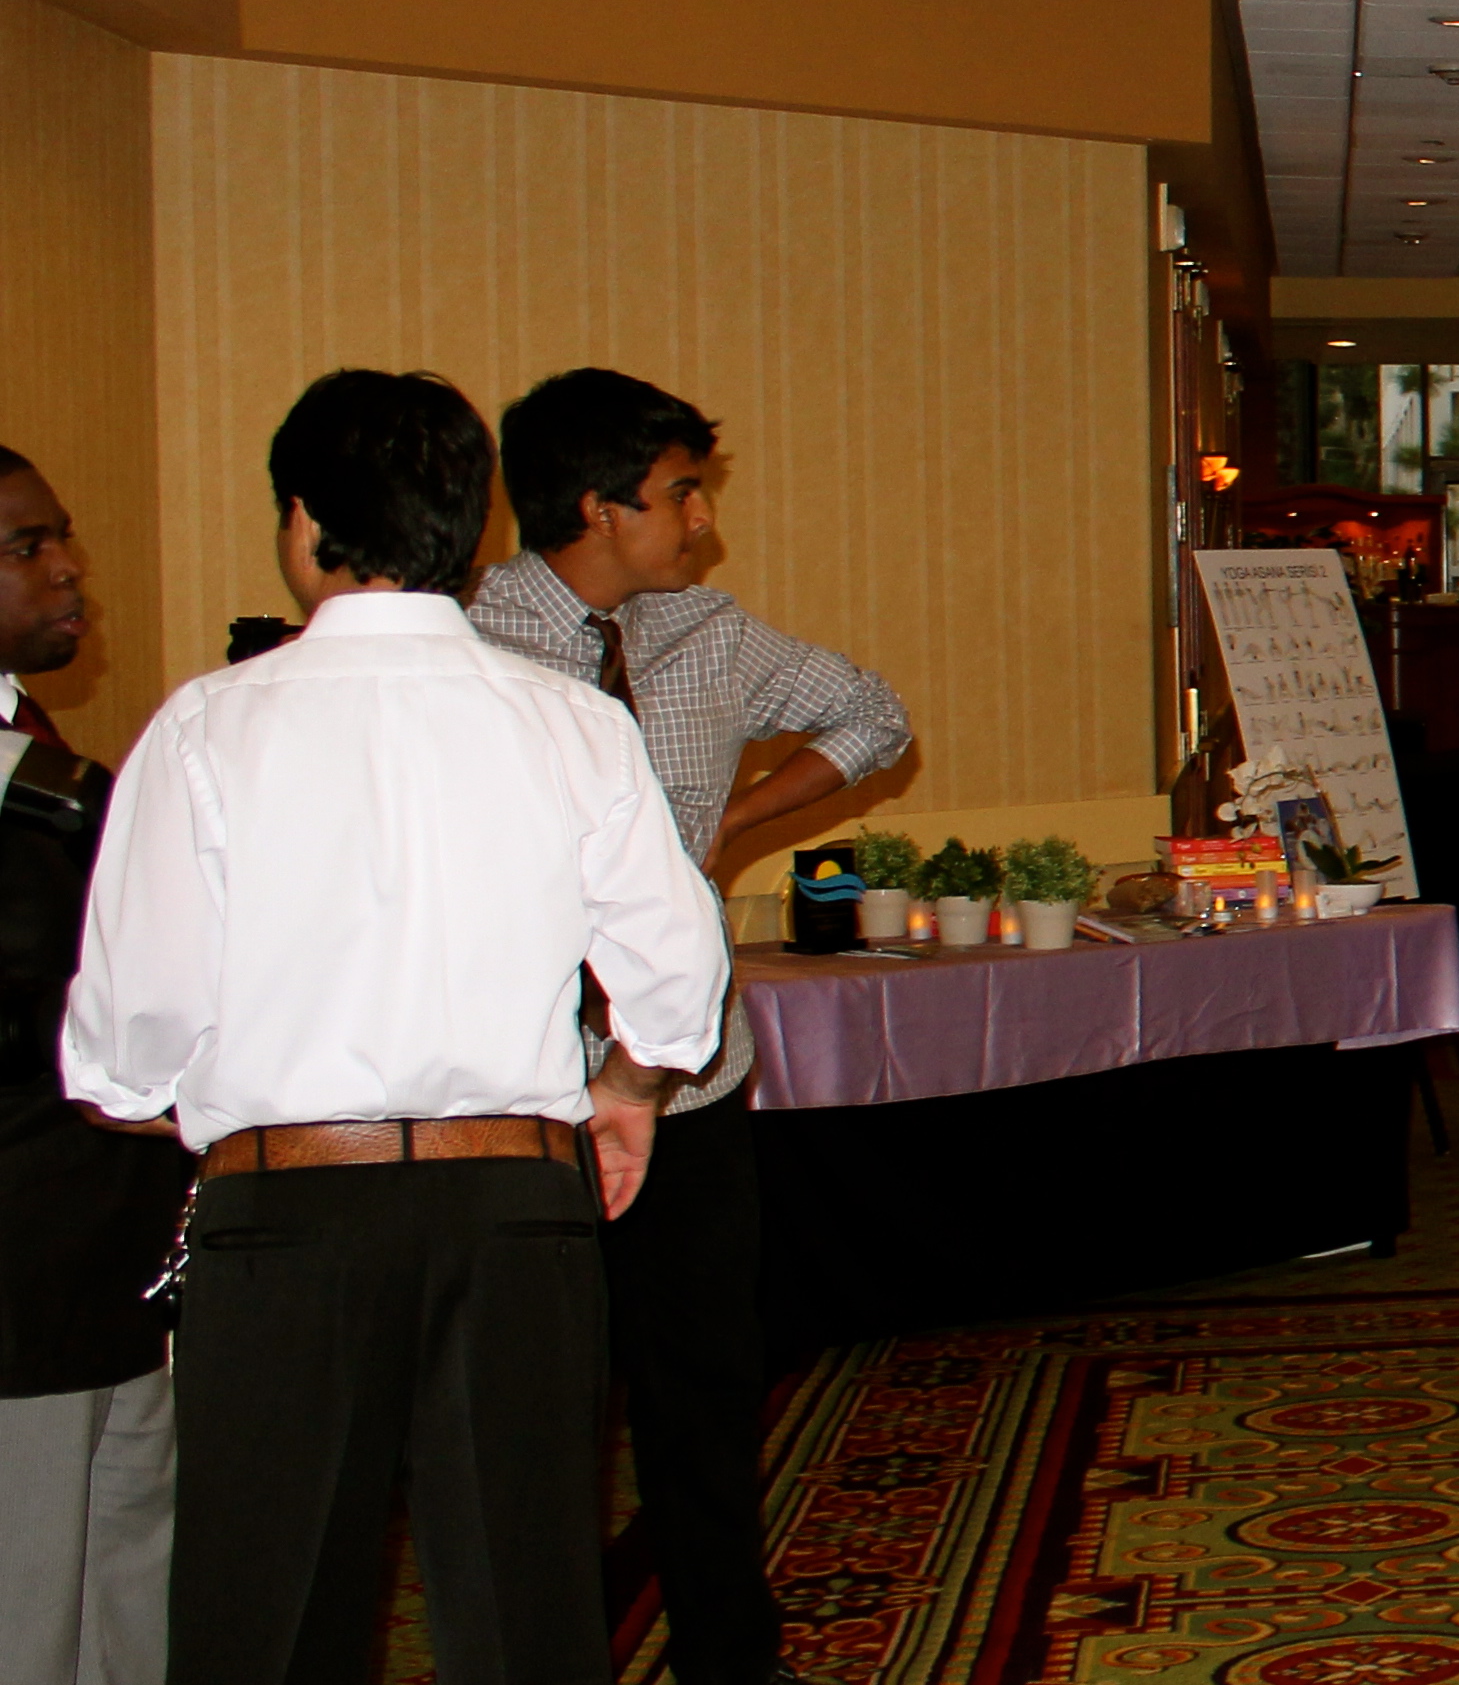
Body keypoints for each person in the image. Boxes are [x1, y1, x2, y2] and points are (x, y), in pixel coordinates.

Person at [63, 369, 731, 1685]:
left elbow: (125, 1037)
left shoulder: (208, 727)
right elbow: (676, 980)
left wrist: (162, 1094)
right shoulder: (571, 723)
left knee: (266, 1617)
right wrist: (631, 1093)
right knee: (527, 1616)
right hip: (516, 1211)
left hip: (287, 1216)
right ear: (471, 528)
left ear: (304, 525)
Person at [464, 368, 908, 1685]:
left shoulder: (703, 633)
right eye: (678, 493)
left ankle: (730, 1651)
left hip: (689, 1084)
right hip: (527, 1089)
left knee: (704, 1392)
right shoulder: (468, 645)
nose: (702, 519)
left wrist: (722, 833)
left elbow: (871, 713)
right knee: (534, 1406)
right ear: (597, 509)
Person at [0, 446, 188, 1685]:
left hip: (111, 1254)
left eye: (60, 535)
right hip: (15, 1280)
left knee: (129, 1583)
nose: (68, 567)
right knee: (24, 1610)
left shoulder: (52, 759)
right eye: (27, 545)